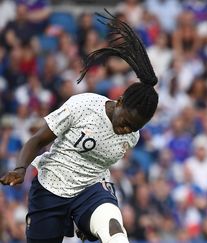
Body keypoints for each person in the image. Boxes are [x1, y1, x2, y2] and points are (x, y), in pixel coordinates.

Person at [0, 10, 159, 243]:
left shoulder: (132, 136)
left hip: (91, 189)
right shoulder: (84, 105)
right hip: (51, 186)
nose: (127, 130)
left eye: (134, 128)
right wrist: (20, 169)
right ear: (120, 101)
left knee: (115, 233)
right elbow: (37, 140)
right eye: (126, 122)